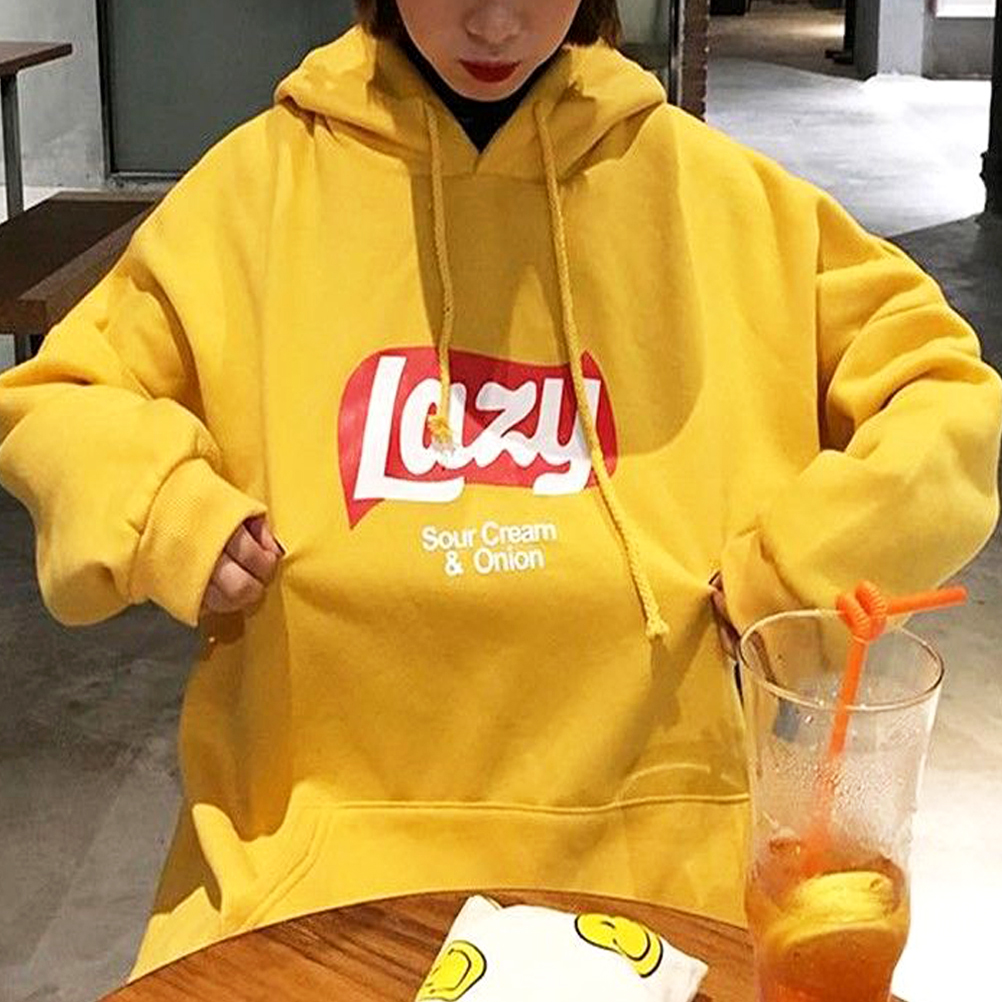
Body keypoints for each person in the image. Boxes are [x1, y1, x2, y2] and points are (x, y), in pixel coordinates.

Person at [1, 0, 999, 981]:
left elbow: (944, 394)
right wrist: (167, 510)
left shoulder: (718, 201)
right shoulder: (255, 195)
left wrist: (796, 571)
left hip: (664, 881)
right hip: (306, 879)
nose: (494, 23)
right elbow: (60, 399)